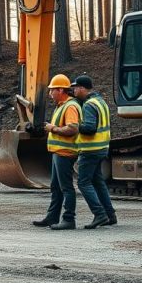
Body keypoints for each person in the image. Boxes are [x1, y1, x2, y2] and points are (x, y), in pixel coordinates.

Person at [32, 74, 81, 231]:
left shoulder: (70, 106)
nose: (50, 93)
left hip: (65, 153)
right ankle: (52, 217)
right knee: (56, 187)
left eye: (52, 90)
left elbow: (73, 128)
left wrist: (52, 128)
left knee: (66, 187)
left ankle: (68, 219)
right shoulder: (61, 106)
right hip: (58, 153)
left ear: (61, 90)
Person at [71, 75, 118, 229]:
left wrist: (76, 126)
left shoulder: (89, 105)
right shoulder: (100, 102)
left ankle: (99, 214)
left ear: (83, 88)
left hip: (90, 150)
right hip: (102, 148)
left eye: (76, 87)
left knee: (83, 183)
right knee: (98, 182)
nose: (74, 90)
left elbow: (90, 128)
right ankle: (110, 215)